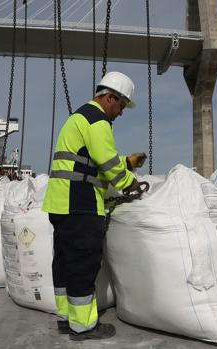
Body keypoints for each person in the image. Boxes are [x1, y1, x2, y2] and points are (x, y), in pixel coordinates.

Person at [42, 71, 146, 341]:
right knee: (83, 263)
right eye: (121, 106)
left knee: (64, 262)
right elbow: (108, 166)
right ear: (110, 98)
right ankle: (84, 326)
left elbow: (91, 161)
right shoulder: (98, 120)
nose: (121, 113)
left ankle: (67, 319)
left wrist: (128, 162)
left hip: (61, 202)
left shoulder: (80, 117)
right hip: (81, 203)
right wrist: (130, 182)